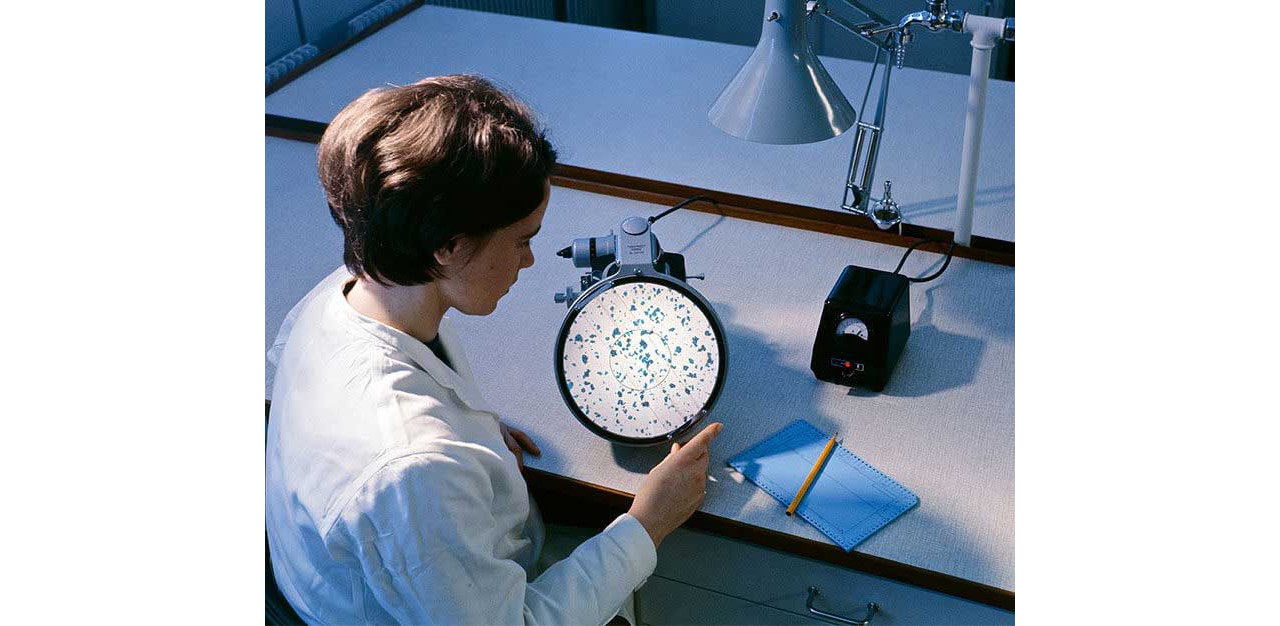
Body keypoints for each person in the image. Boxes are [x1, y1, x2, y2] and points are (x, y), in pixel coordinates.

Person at [265, 74, 724, 625]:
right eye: (521, 240)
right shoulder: (414, 471)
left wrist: (463, 425)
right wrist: (648, 521)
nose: (529, 262)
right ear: (446, 247)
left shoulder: (350, 291)